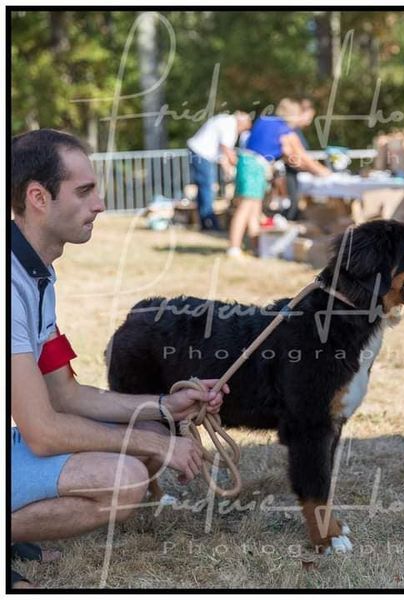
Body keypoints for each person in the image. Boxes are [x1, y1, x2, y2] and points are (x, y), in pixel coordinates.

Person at [10, 129, 229, 588]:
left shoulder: (35, 272)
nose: (100, 204)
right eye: (84, 191)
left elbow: (64, 395)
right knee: (127, 476)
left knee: (147, 430)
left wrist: (164, 409)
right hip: (26, 438)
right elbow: (44, 431)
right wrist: (159, 447)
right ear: (38, 197)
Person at [227, 99, 330, 257]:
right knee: (246, 207)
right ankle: (233, 248)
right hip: (254, 166)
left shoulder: (265, 120)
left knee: (254, 209)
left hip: (247, 163)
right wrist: (322, 172)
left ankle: (257, 248)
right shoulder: (285, 130)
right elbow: (299, 155)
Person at [187, 111, 252, 231]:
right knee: (207, 187)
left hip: (200, 153)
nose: (241, 131)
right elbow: (227, 150)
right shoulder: (230, 125)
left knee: (203, 188)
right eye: (243, 128)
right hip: (202, 154)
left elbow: (223, 155)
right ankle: (209, 222)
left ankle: (205, 222)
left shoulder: (226, 121)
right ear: (242, 123)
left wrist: (229, 169)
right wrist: (243, 167)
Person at [283, 98, 316, 221]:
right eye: (309, 117)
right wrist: (316, 170)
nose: (309, 122)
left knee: (295, 204)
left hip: (295, 171)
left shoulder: (295, 131)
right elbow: (297, 155)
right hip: (289, 172)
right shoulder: (291, 131)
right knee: (293, 204)